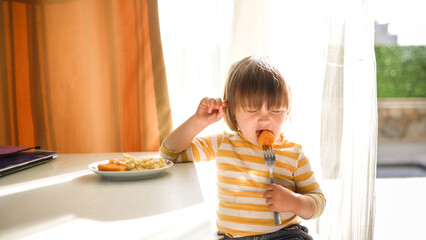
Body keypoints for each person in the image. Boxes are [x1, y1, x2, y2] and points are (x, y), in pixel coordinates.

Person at [159, 56, 326, 239]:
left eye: (276, 110)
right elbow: (171, 153)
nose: (264, 119)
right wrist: (199, 121)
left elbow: (318, 202)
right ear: (233, 113)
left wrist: (295, 202)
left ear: (287, 111)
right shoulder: (223, 144)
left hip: (284, 235)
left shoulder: (294, 154)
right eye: (253, 110)